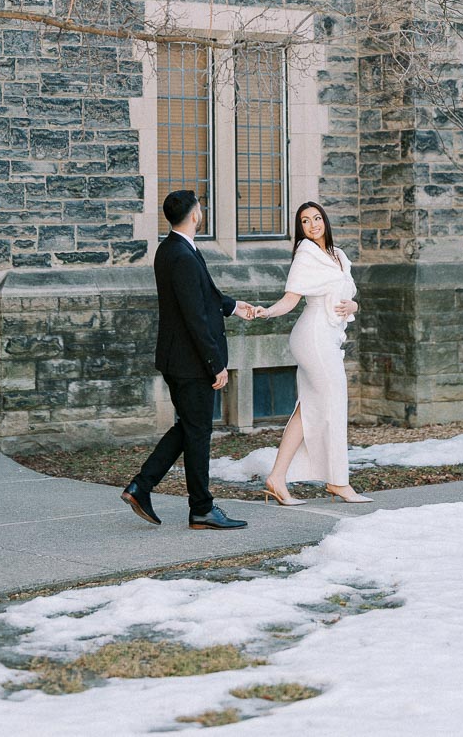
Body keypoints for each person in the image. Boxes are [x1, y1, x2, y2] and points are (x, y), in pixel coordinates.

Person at [121, 189, 257, 530]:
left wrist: (232, 306)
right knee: (197, 433)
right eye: (201, 208)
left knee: (190, 428)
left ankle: (143, 485)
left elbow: (201, 295)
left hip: (179, 359)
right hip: (190, 362)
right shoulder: (180, 254)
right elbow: (193, 315)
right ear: (195, 215)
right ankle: (201, 508)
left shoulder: (174, 249)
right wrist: (216, 364)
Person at [254, 201, 370, 506]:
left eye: (317, 218)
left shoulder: (339, 256)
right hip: (313, 336)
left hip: (329, 337)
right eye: (305, 221)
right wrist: (267, 312)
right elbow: (291, 299)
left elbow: (348, 295)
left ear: (325, 221)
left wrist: (353, 306)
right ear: (300, 228)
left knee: (309, 409)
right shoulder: (305, 255)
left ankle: (277, 479)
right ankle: (338, 482)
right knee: (334, 401)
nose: (313, 224)